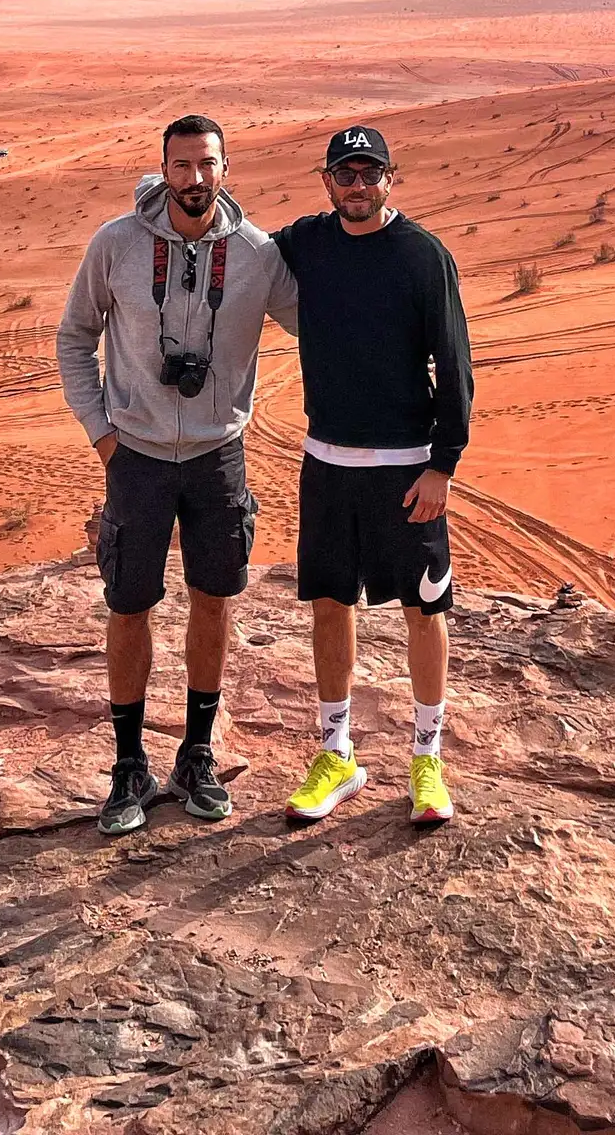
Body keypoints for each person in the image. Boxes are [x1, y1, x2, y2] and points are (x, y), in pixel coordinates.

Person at [57, 113, 297, 837]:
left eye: (207, 164)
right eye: (182, 165)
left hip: (218, 455)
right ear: (164, 170)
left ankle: (196, 755)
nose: (195, 178)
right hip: (135, 455)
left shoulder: (257, 254)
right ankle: (129, 764)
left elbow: (321, 323)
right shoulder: (117, 244)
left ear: (227, 168)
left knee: (214, 600)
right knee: (129, 604)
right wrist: (102, 434)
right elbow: (75, 336)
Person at [273, 125, 474, 829]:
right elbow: (234, 243)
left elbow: (455, 363)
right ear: (326, 181)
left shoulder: (423, 256)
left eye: (370, 173)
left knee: (425, 609)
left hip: (406, 468)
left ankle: (427, 760)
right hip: (327, 463)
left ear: (391, 177)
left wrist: (443, 464)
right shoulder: (307, 242)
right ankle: (337, 754)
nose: (358, 186)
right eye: (345, 174)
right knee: (331, 604)